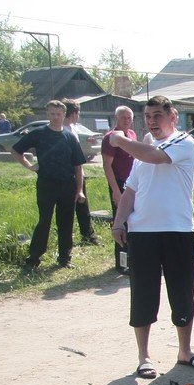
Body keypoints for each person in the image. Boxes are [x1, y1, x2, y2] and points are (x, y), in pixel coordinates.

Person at [109, 96, 194, 379]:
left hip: (177, 231)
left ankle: (185, 351)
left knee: (182, 293)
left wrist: (118, 140)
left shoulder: (182, 143)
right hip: (143, 234)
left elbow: (155, 157)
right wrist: (118, 222)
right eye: (148, 116)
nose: (152, 121)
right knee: (143, 295)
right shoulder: (143, 150)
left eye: (157, 116)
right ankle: (144, 356)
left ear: (172, 116)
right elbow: (130, 191)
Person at [12, 100, 86, 270]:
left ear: (63, 115)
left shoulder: (69, 137)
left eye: (58, 114)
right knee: (44, 220)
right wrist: (30, 166)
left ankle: (64, 257)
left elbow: (78, 165)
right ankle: (34, 257)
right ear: (47, 114)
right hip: (46, 183)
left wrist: (80, 189)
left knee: (66, 221)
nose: (55, 117)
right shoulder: (39, 133)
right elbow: (16, 150)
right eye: (52, 113)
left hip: (68, 185)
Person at [102, 106, 137, 273]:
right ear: (116, 118)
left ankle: (131, 259)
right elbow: (107, 166)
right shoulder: (110, 138)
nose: (126, 120)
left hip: (132, 184)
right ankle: (122, 263)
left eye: (129, 117)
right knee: (120, 221)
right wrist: (115, 190)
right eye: (123, 117)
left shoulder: (131, 135)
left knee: (132, 222)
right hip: (118, 183)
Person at [62, 99, 101, 246]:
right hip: (68, 174)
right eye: (78, 113)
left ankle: (88, 236)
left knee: (83, 205)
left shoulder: (72, 128)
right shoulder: (62, 130)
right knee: (68, 208)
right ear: (74, 113)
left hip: (79, 172)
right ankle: (67, 240)